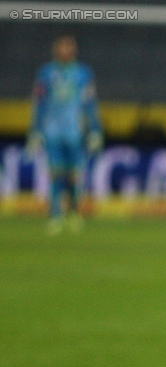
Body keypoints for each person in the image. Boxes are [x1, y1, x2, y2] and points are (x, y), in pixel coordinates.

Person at [28, 34, 103, 235]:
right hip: (52, 130)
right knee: (55, 173)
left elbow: (90, 103)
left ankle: (74, 213)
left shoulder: (83, 74)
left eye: (69, 47)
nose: (65, 51)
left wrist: (95, 129)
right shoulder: (46, 73)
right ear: (56, 50)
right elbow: (40, 103)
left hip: (74, 130)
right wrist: (35, 130)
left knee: (74, 175)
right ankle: (55, 215)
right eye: (62, 47)